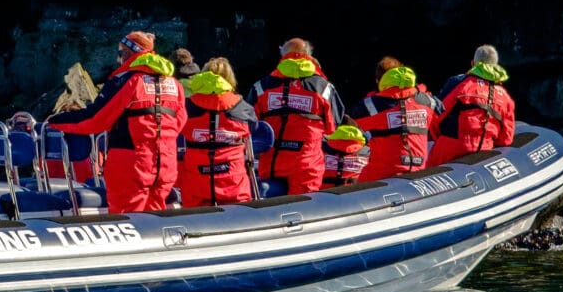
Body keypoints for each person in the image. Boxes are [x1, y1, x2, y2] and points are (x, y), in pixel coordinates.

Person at [47, 30, 185, 213]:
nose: (119, 59)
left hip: (131, 163)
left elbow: (96, 119)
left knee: (126, 217)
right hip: (165, 163)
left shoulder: (126, 81)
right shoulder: (174, 84)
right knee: (155, 216)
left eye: (121, 53)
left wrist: (55, 121)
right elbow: (180, 120)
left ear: (129, 53)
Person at [250, 38, 344, 196]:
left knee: (271, 207)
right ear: (308, 56)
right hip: (306, 167)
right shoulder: (323, 87)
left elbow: (250, 126)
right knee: (305, 207)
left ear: (283, 55)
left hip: (272, 166)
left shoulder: (261, 87)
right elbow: (333, 126)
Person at [179, 56, 259, 205]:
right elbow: (254, 127)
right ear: (229, 79)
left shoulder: (186, 106)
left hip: (196, 186)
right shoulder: (242, 107)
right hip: (234, 185)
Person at [354, 56, 442, 180]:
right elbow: (442, 128)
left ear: (379, 81)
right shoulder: (429, 102)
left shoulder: (370, 105)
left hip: (383, 175)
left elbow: (349, 131)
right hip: (420, 172)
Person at [428, 43, 518, 164]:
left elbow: (437, 114)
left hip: (451, 149)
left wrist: (438, 137)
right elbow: (506, 138)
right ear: (496, 66)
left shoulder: (458, 83)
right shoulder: (505, 97)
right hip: (484, 152)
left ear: (472, 64)